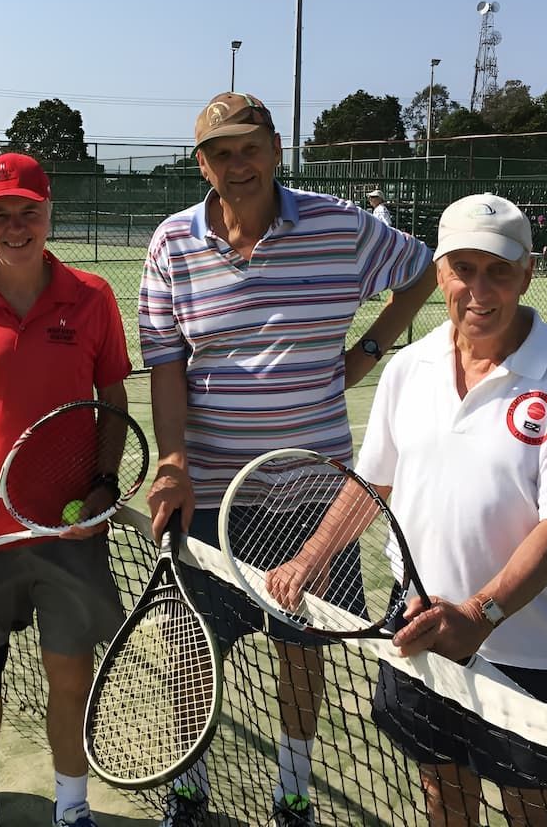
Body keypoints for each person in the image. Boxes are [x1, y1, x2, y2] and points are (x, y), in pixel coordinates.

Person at [139, 92, 437, 827]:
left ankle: (293, 790)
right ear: (201, 163)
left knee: (302, 653)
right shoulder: (172, 243)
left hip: (315, 495)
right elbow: (167, 365)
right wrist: (172, 462)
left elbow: (424, 271)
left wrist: (366, 351)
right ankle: (189, 785)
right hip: (208, 497)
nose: (237, 166)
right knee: (191, 649)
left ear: (276, 149)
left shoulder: (342, 226)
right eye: (219, 153)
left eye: (250, 148)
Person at [272, 193, 547, 826]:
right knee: (443, 796)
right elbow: (374, 483)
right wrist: (311, 558)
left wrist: (481, 614)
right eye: (463, 268)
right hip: (420, 631)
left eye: (499, 270)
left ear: (528, 272)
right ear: (440, 273)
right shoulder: (409, 367)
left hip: (529, 651)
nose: (479, 290)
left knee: (530, 810)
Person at [0, 153, 132, 827]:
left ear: (48, 211)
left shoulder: (93, 297)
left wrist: (102, 485)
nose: (15, 227)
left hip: (68, 535)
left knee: (69, 680)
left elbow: (113, 397)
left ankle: (72, 808)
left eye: (28, 211)